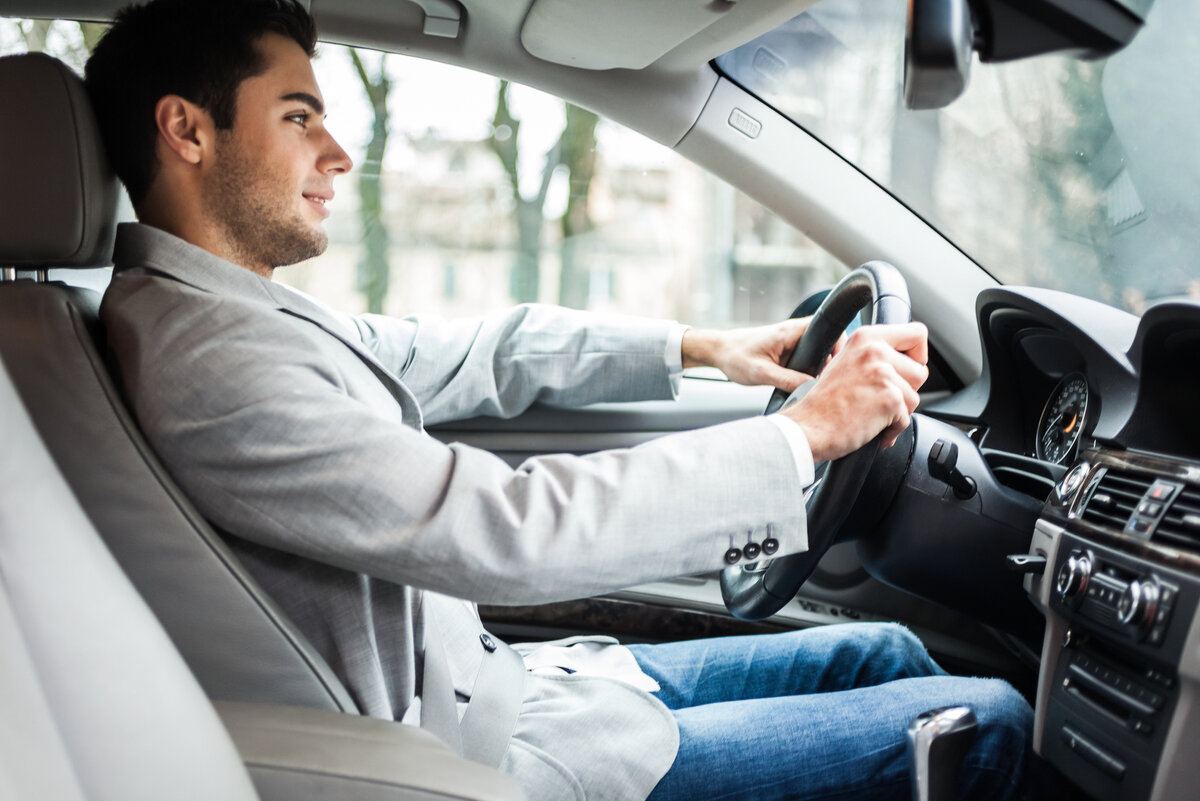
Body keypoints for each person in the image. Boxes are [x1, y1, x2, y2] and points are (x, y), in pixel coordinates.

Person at [84, 1, 1044, 799]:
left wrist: (700, 346)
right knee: (990, 721)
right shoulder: (211, 358)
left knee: (879, 649)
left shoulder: (226, 313)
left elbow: (474, 350)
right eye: (299, 117)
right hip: (475, 756)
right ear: (187, 129)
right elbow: (501, 529)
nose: (339, 152)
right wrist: (805, 436)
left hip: (507, 686)